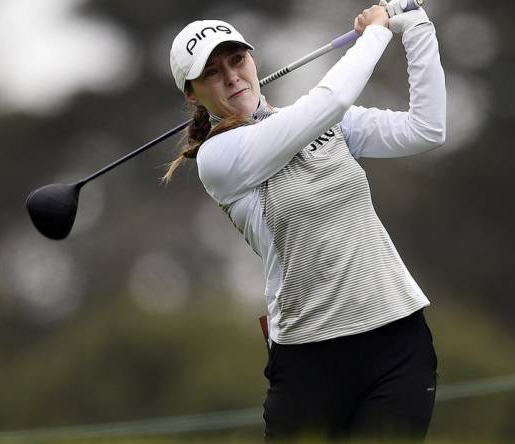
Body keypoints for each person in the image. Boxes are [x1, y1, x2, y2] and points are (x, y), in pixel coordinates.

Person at [165, 3, 446, 441]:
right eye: (213, 73)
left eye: (237, 60)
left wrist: (415, 26)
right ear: (192, 93)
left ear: (251, 60)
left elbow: (427, 128)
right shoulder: (217, 160)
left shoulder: (330, 125)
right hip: (309, 363)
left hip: (397, 342)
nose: (232, 76)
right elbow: (328, 101)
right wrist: (376, 33)